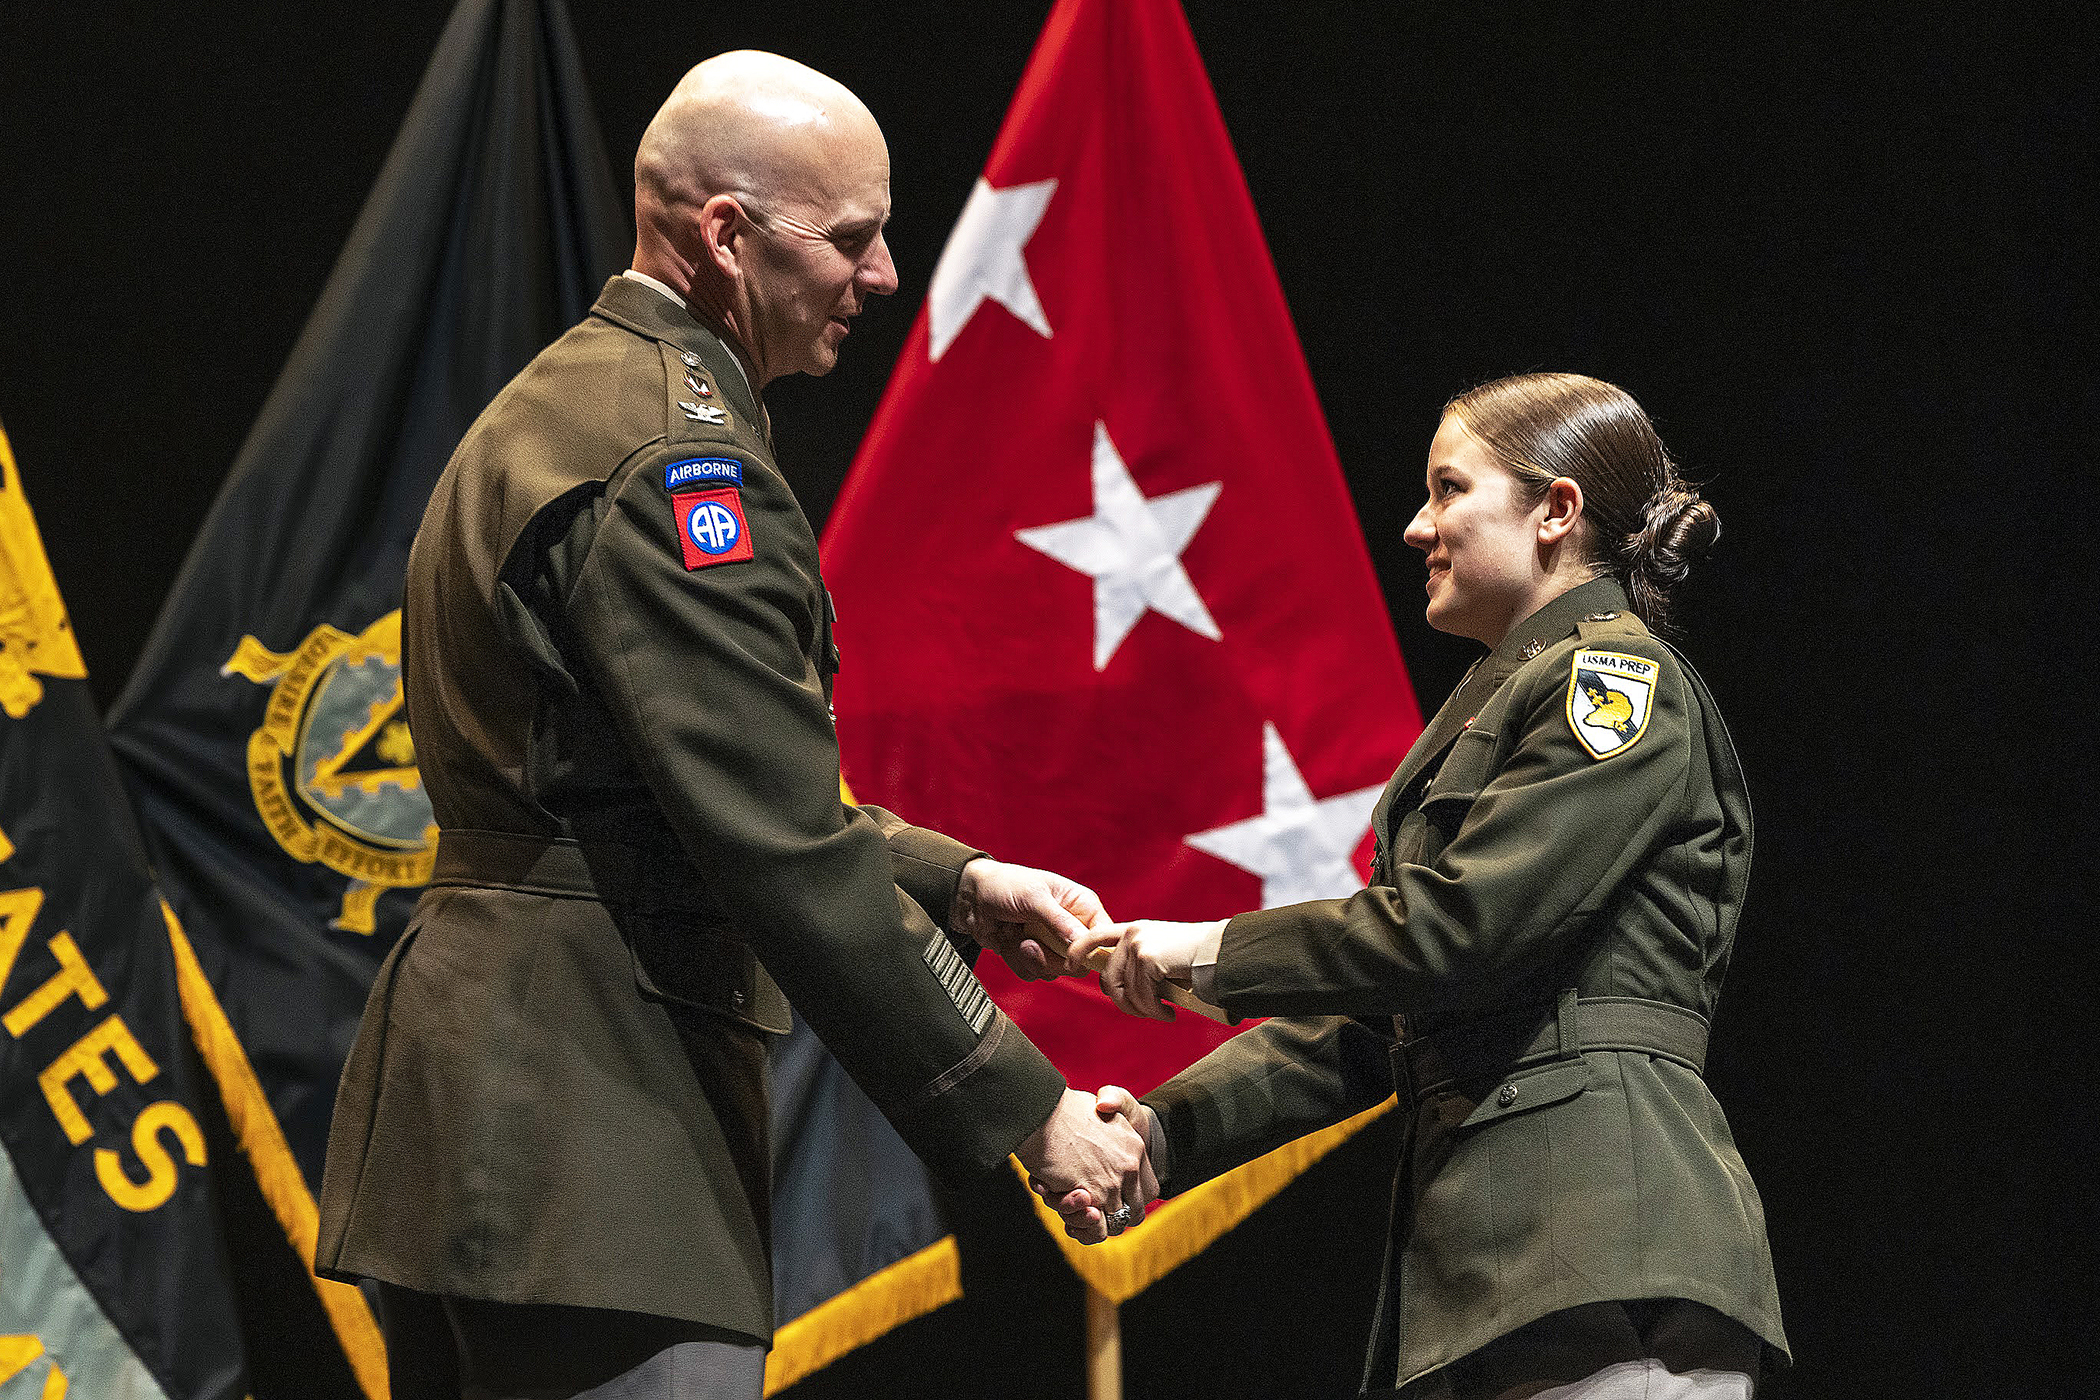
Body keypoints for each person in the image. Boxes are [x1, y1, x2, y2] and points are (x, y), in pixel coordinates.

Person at [316, 51, 1149, 1400]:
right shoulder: (675, 465)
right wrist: (1027, 1105)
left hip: (500, 1111)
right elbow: (772, 839)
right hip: (589, 1134)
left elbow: (666, 782)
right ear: (725, 236)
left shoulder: (565, 405)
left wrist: (960, 880)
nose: (883, 278)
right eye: (856, 239)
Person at [1064, 373, 1789, 1398]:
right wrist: (1159, 1128)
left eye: (1450, 489)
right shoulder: (1509, 693)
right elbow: (1385, 1015)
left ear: (1557, 510)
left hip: (1604, 1254)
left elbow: (1454, 929)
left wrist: (1209, 948)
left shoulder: (1617, 685)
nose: (1417, 525)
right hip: (1497, 1270)